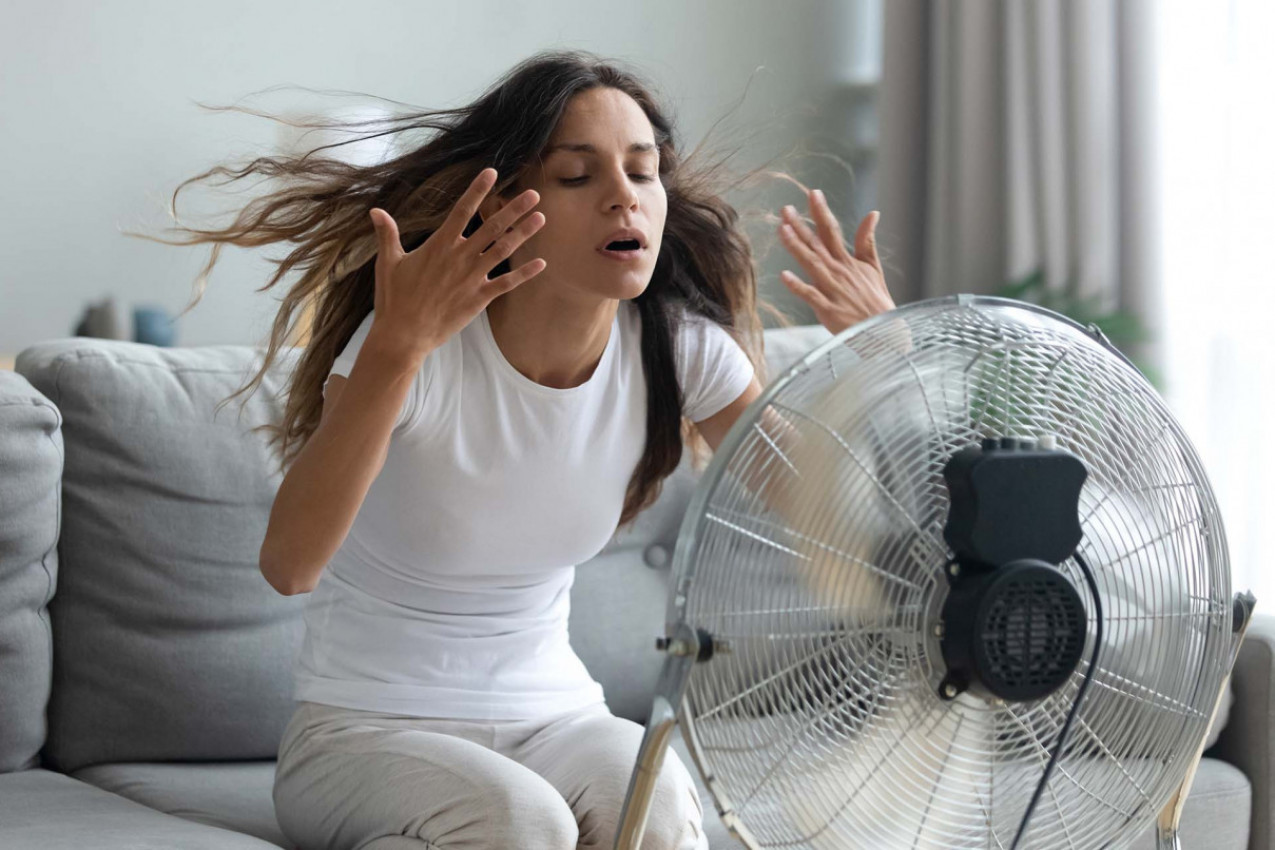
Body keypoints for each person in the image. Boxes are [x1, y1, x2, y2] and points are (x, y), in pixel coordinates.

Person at [152, 49, 893, 850]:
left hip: (557, 718)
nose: (623, 197)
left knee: (655, 812)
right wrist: (396, 349)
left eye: (642, 172)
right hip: (365, 731)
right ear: (507, 204)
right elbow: (289, 565)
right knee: (521, 822)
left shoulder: (679, 351)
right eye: (577, 175)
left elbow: (836, 529)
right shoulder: (415, 346)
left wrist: (887, 360)